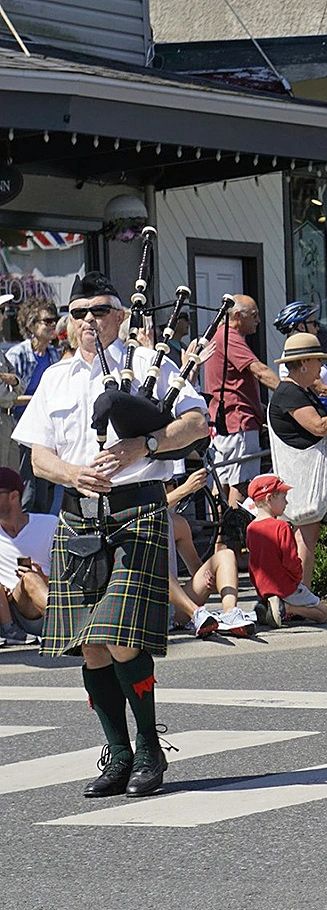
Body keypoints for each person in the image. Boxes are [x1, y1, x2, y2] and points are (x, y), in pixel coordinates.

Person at [13, 271, 210, 797]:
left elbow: (197, 423)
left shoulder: (148, 364)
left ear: (120, 316)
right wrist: (71, 474)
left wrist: (143, 445)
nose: (86, 322)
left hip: (137, 511)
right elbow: (37, 455)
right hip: (80, 516)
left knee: (122, 639)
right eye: (77, 313)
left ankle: (148, 747)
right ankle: (117, 751)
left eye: (98, 311)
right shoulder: (54, 378)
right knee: (92, 647)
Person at [267, 332, 327, 588]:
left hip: (307, 477)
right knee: (305, 539)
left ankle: (298, 596)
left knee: (304, 538)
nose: (321, 367)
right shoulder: (290, 393)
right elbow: (319, 426)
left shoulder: (300, 390)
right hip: (302, 480)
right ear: (303, 364)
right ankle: (301, 597)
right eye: (318, 361)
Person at [201, 295, 280, 506]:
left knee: (223, 482)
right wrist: (291, 394)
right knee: (241, 483)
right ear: (236, 316)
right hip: (238, 419)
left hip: (223, 421)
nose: (258, 321)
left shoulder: (219, 336)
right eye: (253, 316)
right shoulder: (229, 336)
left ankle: (219, 537)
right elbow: (260, 371)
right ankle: (234, 537)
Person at [164, 467, 254, 637]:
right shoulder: (141, 516)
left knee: (226, 555)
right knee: (155, 566)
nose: (173, 487)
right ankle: (196, 613)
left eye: (174, 484)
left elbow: (196, 570)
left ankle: (230, 613)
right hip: (149, 605)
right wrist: (185, 489)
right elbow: (150, 508)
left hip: (177, 607)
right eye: (170, 484)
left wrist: (210, 579)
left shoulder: (179, 524)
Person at [244, 474, 327, 626]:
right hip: (286, 586)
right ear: (269, 498)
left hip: (264, 586)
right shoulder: (281, 527)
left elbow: (253, 562)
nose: (286, 502)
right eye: (283, 497)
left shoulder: (251, 528)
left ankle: (269, 607)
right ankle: (287, 608)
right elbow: (290, 559)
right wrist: (298, 578)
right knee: (324, 614)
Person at [6, 298, 63, 513]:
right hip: (21, 427)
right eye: (47, 321)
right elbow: (8, 397)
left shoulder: (53, 354)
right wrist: (39, 399)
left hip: (45, 428)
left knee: (44, 490)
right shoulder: (17, 355)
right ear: (32, 325)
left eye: (54, 320)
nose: (52, 325)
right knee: (27, 489)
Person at [0, 466, 52, 644]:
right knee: (28, 579)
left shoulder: (49, 525)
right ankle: (9, 631)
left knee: (30, 578)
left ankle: (63, 622)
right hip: (14, 609)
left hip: (44, 601)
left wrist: (43, 577)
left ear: (14, 496)